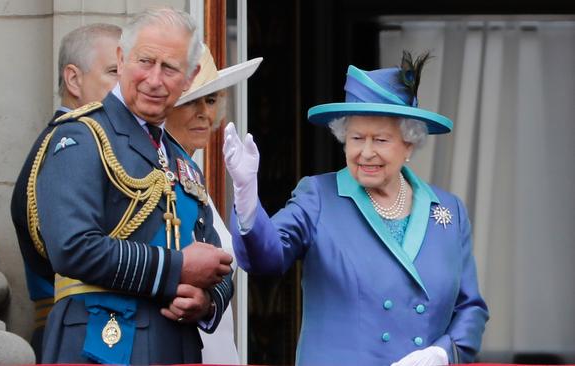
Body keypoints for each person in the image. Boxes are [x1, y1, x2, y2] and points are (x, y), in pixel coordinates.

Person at [223, 51, 489, 365]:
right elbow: (266, 259)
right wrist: (246, 198)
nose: (365, 152)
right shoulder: (319, 196)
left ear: (409, 144)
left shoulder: (448, 211)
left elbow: (471, 309)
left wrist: (444, 353)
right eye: (356, 138)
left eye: (380, 140)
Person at [26, 8, 234, 365]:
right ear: (122, 59)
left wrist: (208, 301)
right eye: (145, 61)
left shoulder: (180, 158)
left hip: (177, 346)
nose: (154, 79)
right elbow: (72, 248)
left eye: (169, 68)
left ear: (189, 77)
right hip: (101, 343)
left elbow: (216, 260)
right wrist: (176, 268)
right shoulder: (81, 136)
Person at [10, 22, 121, 362]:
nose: (129, 84)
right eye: (115, 71)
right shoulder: (67, 145)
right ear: (74, 79)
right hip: (82, 332)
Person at [165, 44, 262, 365]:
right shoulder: (153, 173)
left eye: (210, 100)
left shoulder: (193, 176)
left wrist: (209, 302)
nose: (204, 113)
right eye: (190, 101)